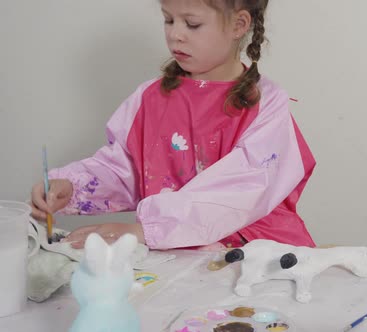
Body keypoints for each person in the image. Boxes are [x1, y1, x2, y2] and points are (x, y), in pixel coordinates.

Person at [29, 0, 316, 250]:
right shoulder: (149, 99)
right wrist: (72, 187)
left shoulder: (266, 104)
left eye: (192, 24)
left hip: (256, 254)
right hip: (176, 253)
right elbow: (126, 169)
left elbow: (242, 192)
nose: (175, 34)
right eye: (168, 19)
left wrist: (148, 230)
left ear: (238, 25)